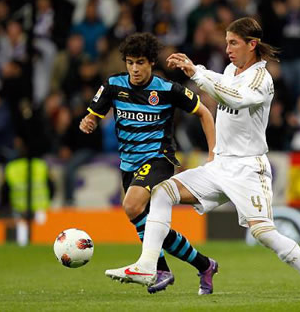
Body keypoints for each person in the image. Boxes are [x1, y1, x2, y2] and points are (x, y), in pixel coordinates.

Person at [105, 17, 300, 299]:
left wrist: (197, 73)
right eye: (226, 42)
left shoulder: (262, 78)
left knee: (264, 233)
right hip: (221, 166)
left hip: (248, 168)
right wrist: (198, 71)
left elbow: (236, 98)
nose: (227, 48)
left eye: (233, 43)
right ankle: (148, 265)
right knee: (162, 193)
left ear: (252, 45)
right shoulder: (230, 69)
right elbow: (222, 85)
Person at [79, 32, 217, 294]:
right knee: (149, 223)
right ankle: (203, 264)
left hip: (159, 158)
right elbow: (92, 115)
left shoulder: (167, 89)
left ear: (151, 62)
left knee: (131, 205)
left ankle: (158, 268)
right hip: (128, 164)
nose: (134, 69)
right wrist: (88, 121)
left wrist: (212, 154)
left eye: (140, 62)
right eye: (130, 62)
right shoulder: (113, 85)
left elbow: (204, 112)